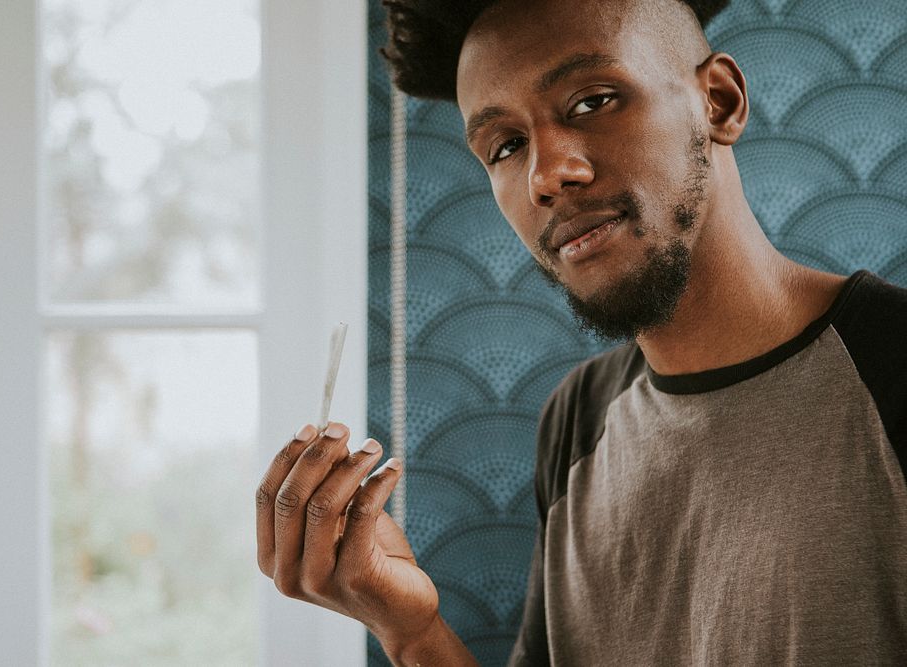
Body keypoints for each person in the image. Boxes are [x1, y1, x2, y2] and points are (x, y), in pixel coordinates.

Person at [256, 0, 907, 663]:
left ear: (718, 101)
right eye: (506, 146)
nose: (545, 176)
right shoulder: (578, 418)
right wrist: (410, 631)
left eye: (592, 102)